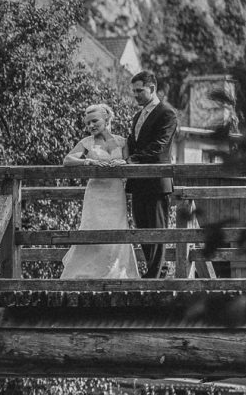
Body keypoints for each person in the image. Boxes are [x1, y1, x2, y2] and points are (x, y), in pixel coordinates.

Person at [60, 103, 140, 279]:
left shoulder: (121, 141)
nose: (91, 126)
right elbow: (68, 160)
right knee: (92, 226)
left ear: (107, 119)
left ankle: (115, 273)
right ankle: (87, 274)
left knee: (116, 227)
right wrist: (86, 161)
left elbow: (129, 161)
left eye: (94, 121)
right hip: (95, 193)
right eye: (88, 123)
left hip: (115, 192)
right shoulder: (86, 142)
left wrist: (124, 163)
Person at [124, 71, 180, 278]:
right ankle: (157, 271)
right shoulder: (137, 116)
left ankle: (155, 275)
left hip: (157, 181)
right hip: (138, 181)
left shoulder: (167, 113)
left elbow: (160, 145)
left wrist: (133, 159)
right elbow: (132, 143)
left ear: (152, 88)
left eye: (139, 90)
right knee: (142, 228)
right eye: (133, 91)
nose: (135, 95)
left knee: (157, 228)